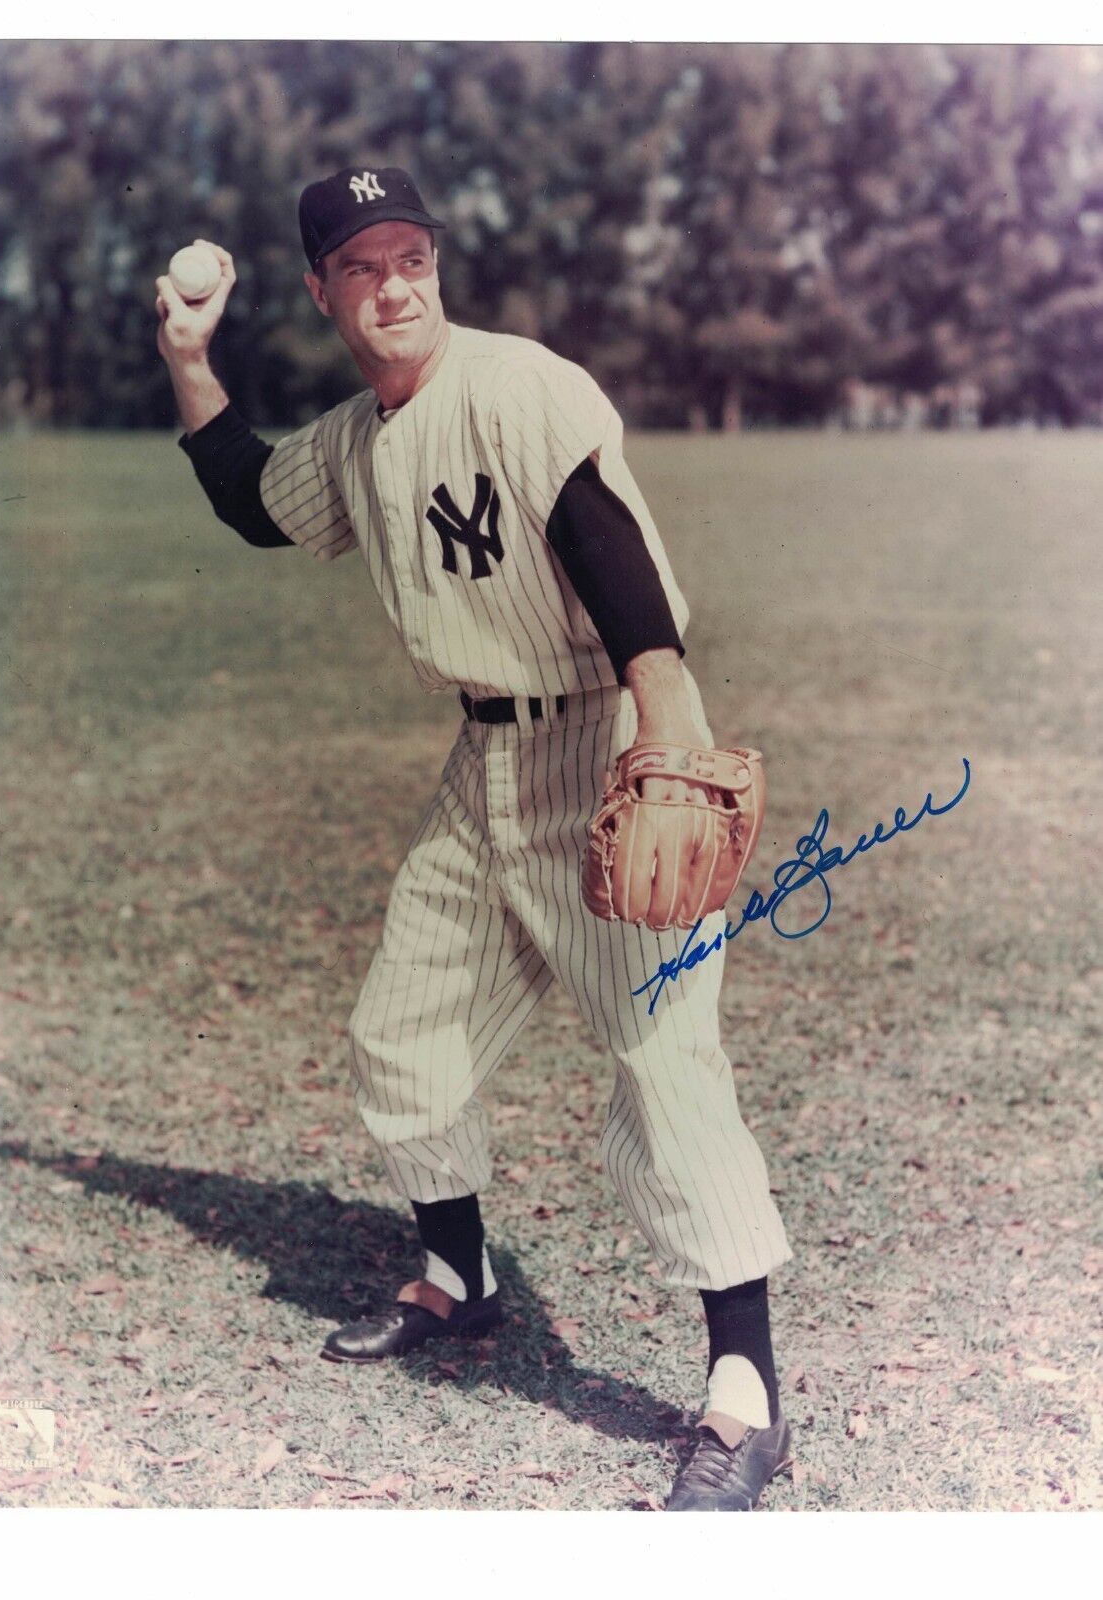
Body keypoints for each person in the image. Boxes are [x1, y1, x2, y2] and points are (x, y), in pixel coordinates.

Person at [155, 165, 793, 1511]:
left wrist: (663, 719)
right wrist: (186, 360)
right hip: (484, 764)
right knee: (406, 1030)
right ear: (323, 290)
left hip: (611, 740)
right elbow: (249, 500)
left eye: (413, 254)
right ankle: (459, 1281)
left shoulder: (519, 386)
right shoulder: (354, 438)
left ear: (434, 265)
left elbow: (606, 542)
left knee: (666, 1062)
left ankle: (747, 1398)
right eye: (363, 264)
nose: (396, 282)